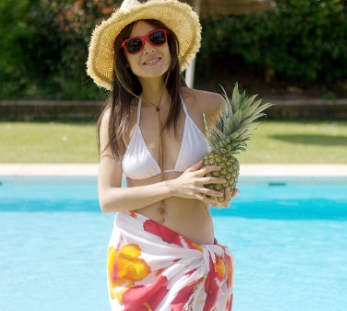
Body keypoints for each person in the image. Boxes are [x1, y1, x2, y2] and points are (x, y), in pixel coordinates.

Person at [86, 0, 237, 310]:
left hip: (194, 256)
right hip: (137, 259)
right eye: (134, 44)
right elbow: (107, 198)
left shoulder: (209, 106)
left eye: (157, 38)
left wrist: (223, 192)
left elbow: (222, 172)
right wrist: (174, 186)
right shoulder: (116, 118)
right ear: (123, 58)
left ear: (170, 43)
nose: (149, 49)